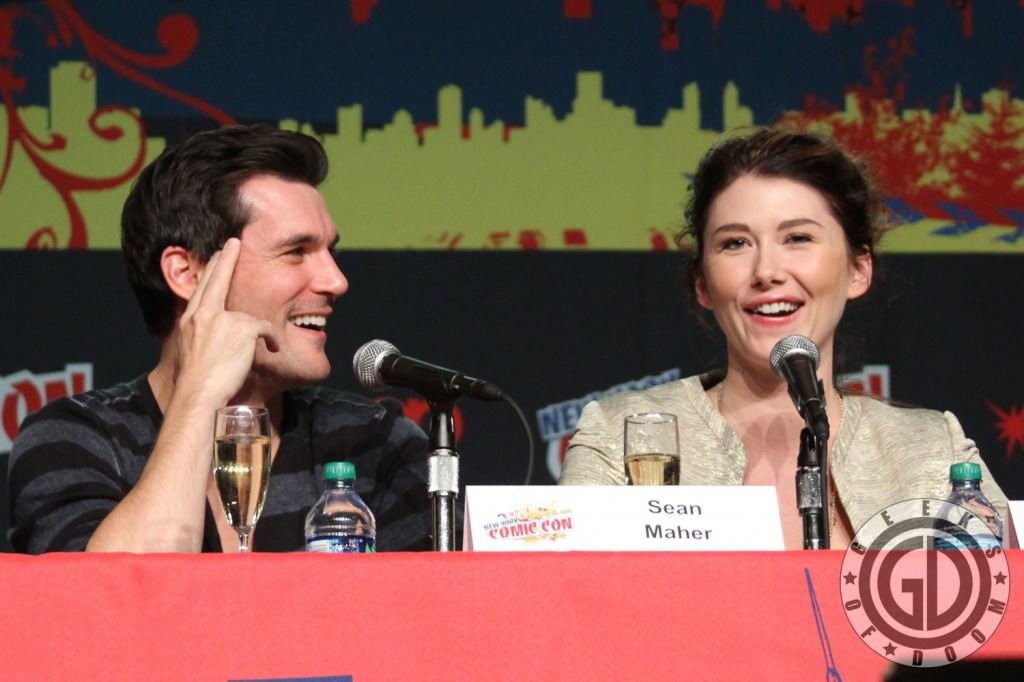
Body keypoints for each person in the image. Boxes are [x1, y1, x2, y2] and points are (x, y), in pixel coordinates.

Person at [558, 126, 1010, 550]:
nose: (767, 272)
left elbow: (1004, 598)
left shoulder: (933, 451)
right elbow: (567, 597)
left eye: (797, 238)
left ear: (858, 269)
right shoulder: (621, 437)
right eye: (735, 243)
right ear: (702, 283)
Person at [8, 124, 432, 553]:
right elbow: (122, 590)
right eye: (295, 252)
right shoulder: (75, 441)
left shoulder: (375, 444)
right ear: (187, 274)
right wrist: (201, 397)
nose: (336, 281)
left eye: (330, 252)